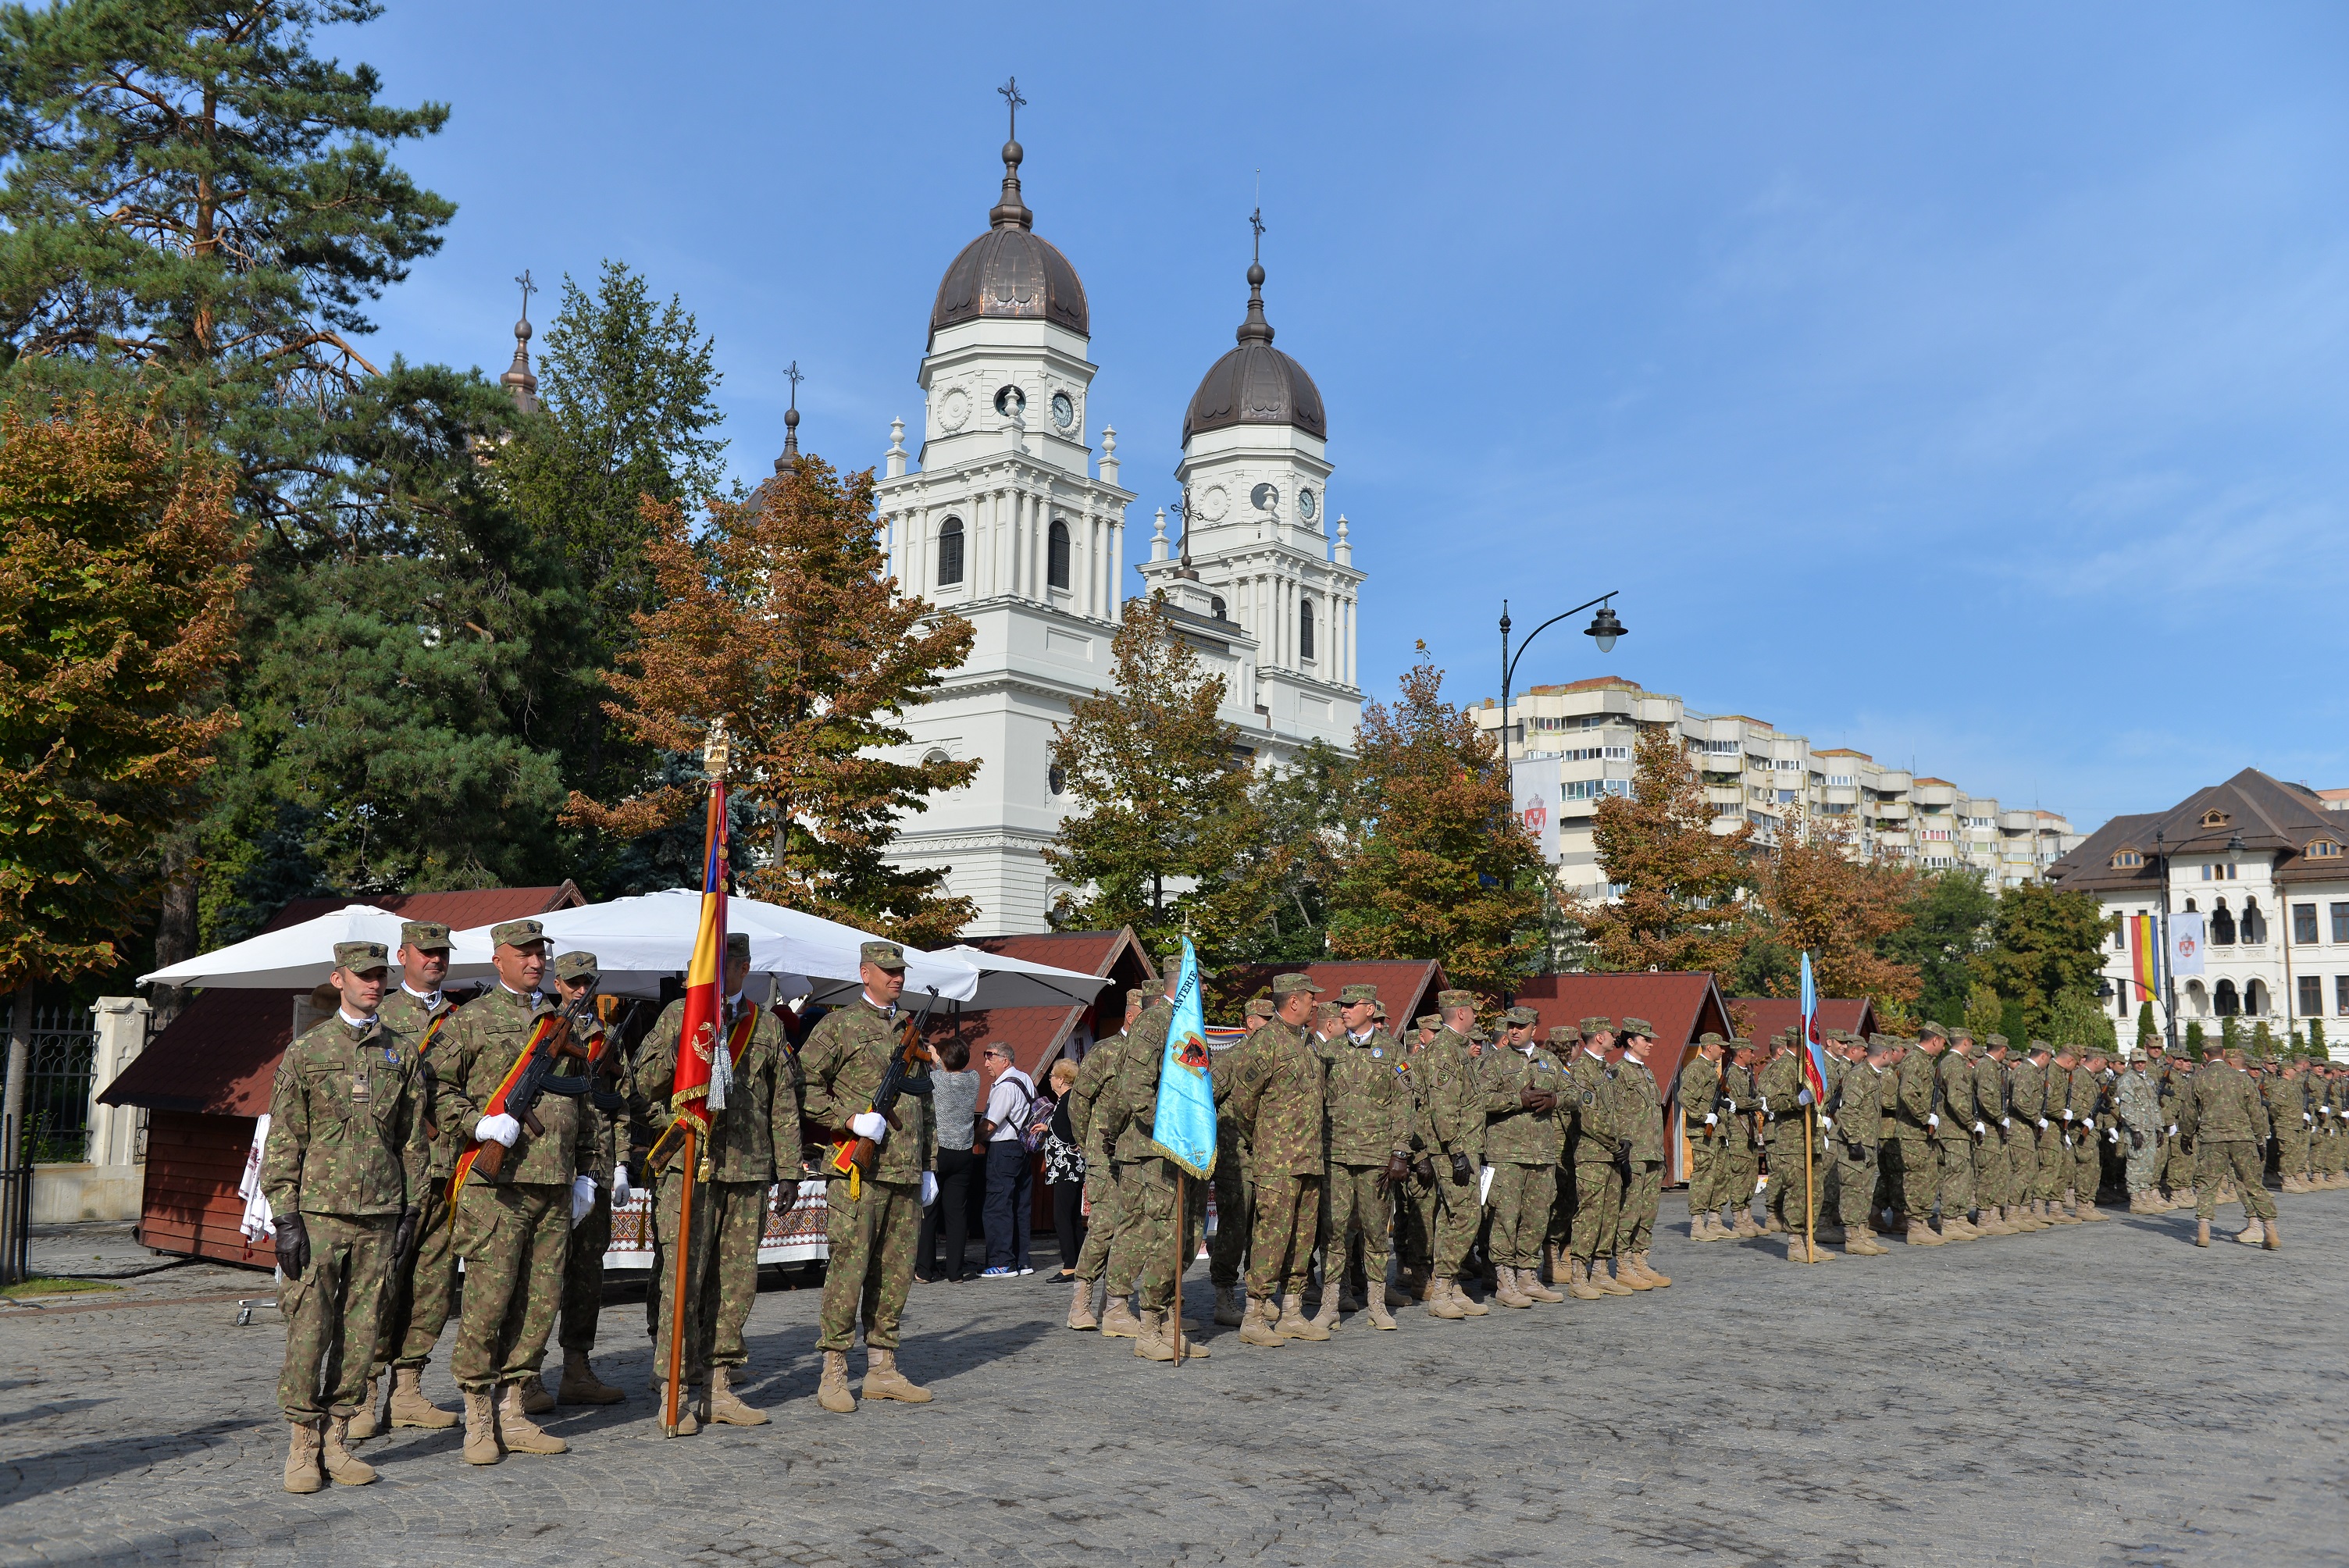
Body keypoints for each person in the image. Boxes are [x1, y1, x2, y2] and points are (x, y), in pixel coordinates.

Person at [434, 918, 599, 1464]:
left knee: (538, 1304)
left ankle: (515, 1409)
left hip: (554, 1184)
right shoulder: (471, 1020)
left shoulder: (560, 1022)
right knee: (488, 1304)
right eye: (523, 954)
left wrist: (587, 1172)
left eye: (539, 955)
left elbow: (585, 1103)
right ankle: (478, 1417)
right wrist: (475, 1124)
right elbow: (432, 1087)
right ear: (497, 958)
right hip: (497, 1187)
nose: (535, 963)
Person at [265, 939, 427, 1492]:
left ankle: (338, 1438)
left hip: (380, 1213)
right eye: (362, 975)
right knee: (309, 1330)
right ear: (339, 979)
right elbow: (284, 1139)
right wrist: (285, 1216)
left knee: (363, 1332)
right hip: (320, 1214)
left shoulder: (402, 1053)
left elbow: (412, 1140)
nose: (373, 983)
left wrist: (410, 1209)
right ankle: (302, 1445)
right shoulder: (308, 1051)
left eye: (380, 975)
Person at [637, 932, 801, 1430]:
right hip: (689, 1163)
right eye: (707, 962)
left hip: (747, 1169)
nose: (716, 970)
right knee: (682, 1278)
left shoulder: (765, 1026)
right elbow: (640, 1084)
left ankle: (719, 1385)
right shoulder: (676, 1016)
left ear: (743, 966)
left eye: (726, 962)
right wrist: (680, 1044)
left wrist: (790, 1169)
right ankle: (675, 1386)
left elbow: (784, 1103)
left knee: (735, 1284)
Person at [801, 941, 938, 1413]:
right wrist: (848, 1121)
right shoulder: (838, 1025)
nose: (896, 977)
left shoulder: (909, 1028)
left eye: (900, 970)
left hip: (904, 1171)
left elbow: (925, 1101)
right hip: (858, 1171)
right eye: (887, 970)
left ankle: (882, 1368)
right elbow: (803, 1087)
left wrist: (929, 1165)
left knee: (896, 1274)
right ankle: (834, 1370)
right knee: (849, 1270)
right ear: (865, 972)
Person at [358, 920, 460, 1438]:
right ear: (404, 956)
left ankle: (409, 1391)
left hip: (445, 1174)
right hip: (394, 1177)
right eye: (426, 952)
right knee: (380, 1284)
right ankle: (364, 1392)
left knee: (433, 1287)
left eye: (442, 952)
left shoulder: (463, 1017)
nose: (435, 959)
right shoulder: (380, 1015)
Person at [1111, 957, 1211, 1362]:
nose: (1206, 991)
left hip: (1189, 1153)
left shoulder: (1191, 1025)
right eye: (1201, 983)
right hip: (1160, 1152)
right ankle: (1149, 1327)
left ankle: (1169, 1319)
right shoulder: (1155, 1023)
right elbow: (1134, 1087)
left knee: (1188, 1237)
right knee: (1165, 1237)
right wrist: (1174, 1130)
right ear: (1188, 982)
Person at [540, 951, 627, 1411]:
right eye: (573, 983)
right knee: (539, 1277)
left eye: (588, 983)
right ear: (559, 984)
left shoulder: (606, 1037)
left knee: (587, 1276)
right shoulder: (544, 1030)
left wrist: (622, 1166)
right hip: (550, 1170)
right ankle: (527, 1377)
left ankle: (577, 1368)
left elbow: (621, 1102)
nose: (581, 990)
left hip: (597, 1168)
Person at [1230, 973, 1330, 1347]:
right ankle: (1255, 1315)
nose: (1316, 1004)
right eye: (1311, 998)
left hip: (1309, 1160)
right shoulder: (1266, 1043)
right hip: (1278, 1161)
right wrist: (1266, 1141)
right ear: (1293, 1002)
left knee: (1303, 1240)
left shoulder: (1307, 1044)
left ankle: (1291, 1313)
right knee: (1272, 1238)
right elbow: (1243, 1104)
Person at [1320, 983, 1415, 1327]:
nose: (1343, 1010)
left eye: (1350, 1005)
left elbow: (1404, 1103)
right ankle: (1330, 1302)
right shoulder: (1329, 1050)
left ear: (1370, 1010)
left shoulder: (1392, 1051)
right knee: (1334, 1231)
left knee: (1376, 1232)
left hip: (1376, 1156)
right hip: (1336, 1154)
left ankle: (1377, 1302)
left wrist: (1401, 1151)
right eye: (1341, 1005)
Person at [1066, 989, 1142, 1330]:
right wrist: (1089, 1144)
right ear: (1131, 1016)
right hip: (1106, 1158)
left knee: (1134, 1231)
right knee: (1103, 1229)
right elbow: (1078, 1103)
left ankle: (1116, 1306)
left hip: (1138, 1157)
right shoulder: (1106, 1051)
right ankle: (1080, 1304)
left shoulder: (1152, 1055)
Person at [1477, 1006, 1562, 1309]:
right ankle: (1505, 1279)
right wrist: (1517, 1100)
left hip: (1542, 1154)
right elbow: (1478, 1100)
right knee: (1505, 1217)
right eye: (1511, 1025)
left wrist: (1556, 1098)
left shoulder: (1550, 1061)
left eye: (1521, 1026)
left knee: (1537, 1218)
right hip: (1505, 1154)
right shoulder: (1494, 1061)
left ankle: (1527, 1275)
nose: (1514, 1030)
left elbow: (1576, 1093)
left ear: (1533, 1029)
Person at [1414, 990, 1491, 1320]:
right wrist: (1458, 1152)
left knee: (1452, 1218)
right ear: (1461, 1013)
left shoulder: (1455, 1049)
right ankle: (1442, 1287)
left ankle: (1450, 1285)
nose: (1475, 1016)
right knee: (1466, 1216)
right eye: (1472, 1010)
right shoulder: (1445, 1050)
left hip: (1462, 1146)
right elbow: (1443, 1108)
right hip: (1452, 1150)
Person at [1206, 995, 1272, 1327]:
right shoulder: (1231, 1059)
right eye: (1265, 1021)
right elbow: (1208, 1099)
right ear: (1249, 1023)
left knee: (1264, 1227)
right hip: (1236, 1156)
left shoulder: (1275, 1056)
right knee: (1234, 1226)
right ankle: (1224, 1293)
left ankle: (1256, 1294)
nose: (1271, 1027)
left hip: (1269, 1155)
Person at [2180, 1039, 2280, 1249]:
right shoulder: (2241, 1079)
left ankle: (2204, 1231)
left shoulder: (2198, 1079)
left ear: (2205, 1056)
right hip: (2242, 1138)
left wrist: (2186, 1137)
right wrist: (2260, 1138)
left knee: (2208, 1184)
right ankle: (2270, 1230)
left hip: (2211, 1139)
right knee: (2253, 1183)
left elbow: (2189, 1112)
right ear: (2224, 1053)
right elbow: (2255, 1110)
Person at [1565, 1017, 1630, 1297]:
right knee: (1589, 1212)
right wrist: (1616, 1143)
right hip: (1593, 1154)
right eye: (1610, 1034)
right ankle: (1579, 1274)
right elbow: (1588, 1117)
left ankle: (1601, 1271)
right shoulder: (1581, 1070)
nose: (1615, 1038)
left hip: (1613, 1154)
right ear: (1599, 1037)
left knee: (1609, 1212)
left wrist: (1625, 1141)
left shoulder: (1609, 1070)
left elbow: (1622, 1109)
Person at [920, 1037, 981, 1285]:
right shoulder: (973, 1078)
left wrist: (933, 1055)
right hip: (965, 1151)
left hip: (939, 1150)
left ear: (943, 1059)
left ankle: (924, 1270)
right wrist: (940, 1056)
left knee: (930, 1209)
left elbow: (939, 1073)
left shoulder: (937, 1080)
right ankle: (955, 1272)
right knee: (957, 1213)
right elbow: (953, 1070)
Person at [978, 1042, 1036, 1278]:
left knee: (997, 1206)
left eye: (990, 1057)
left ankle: (1002, 1262)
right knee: (1020, 1206)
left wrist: (974, 1139)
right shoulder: (1026, 1079)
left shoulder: (1004, 1088)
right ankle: (1022, 1261)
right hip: (1022, 1148)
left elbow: (990, 1124)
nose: (986, 1063)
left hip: (1003, 1148)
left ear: (1005, 1060)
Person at [1678, 1032, 1728, 1242]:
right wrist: (1702, 1117)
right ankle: (1697, 1224)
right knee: (1704, 1176)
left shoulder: (1710, 1070)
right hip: (1702, 1133)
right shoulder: (1696, 1068)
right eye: (1720, 1046)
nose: (1723, 1050)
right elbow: (1684, 1096)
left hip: (1717, 1133)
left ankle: (1715, 1221)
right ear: (1709, 1047)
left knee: (1719, 1175)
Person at [1041, 1058, 1085, 1280]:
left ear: (1061, 1079)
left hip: (1066, 1166)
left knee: (1062, 1217)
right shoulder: (1066, 1100)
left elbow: (1067, 1131)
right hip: (1069, 1166)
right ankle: (1078, 1262)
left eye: (1051, 1076)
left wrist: (1050, 1130)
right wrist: (1047, 1126)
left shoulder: (1068, 1100)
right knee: (1072, 1216)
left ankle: (1070, 1264)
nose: (1050, 1079)